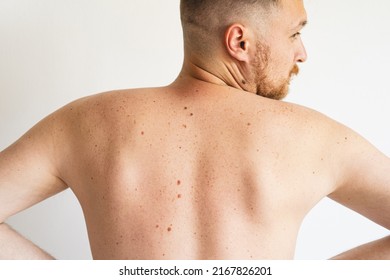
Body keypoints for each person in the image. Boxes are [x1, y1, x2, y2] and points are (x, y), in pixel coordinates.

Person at [0, 0, 389, 260]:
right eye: (294, 33)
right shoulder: (314, 139)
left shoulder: (85, 123)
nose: (302, 52)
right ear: (239, 41)